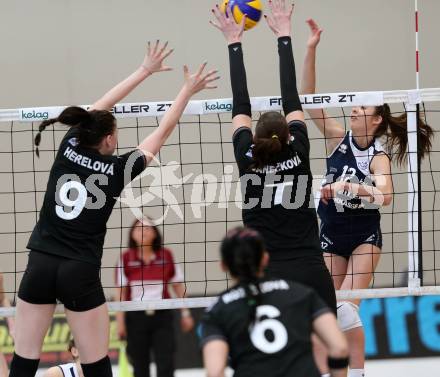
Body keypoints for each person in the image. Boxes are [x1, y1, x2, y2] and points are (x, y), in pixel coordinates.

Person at [9, 39, 219, 377]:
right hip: (79, 269)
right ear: (108, 140)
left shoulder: (69, 145)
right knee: (96, 365)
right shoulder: (119, 169)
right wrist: (186, 91)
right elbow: (163, 130)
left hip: (41, 262)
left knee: (23, 362)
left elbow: (98, 109)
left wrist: (144, 71)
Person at [301, 19, 433, 377]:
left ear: (375, 121)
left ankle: (356, 373)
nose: (354, 110)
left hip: (362, 238)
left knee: (345, 310)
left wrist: (351, 188)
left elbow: (385, 194)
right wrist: (311, 48)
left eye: (362, 109)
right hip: (330, 235)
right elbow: (309, 98)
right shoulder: (335, 138)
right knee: (328, 312)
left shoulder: (378, 155)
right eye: (355, 106)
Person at [210, 1, 336, 309]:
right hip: (311, 268)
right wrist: (284, 35)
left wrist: (233, 43)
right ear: (290, 134)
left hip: (268, 274)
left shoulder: (247, 156)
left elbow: (240, 105)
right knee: (332, 352)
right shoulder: (299, 151)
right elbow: (292, 97)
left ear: (254, 137)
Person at [199, 226, 349, 377]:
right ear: (265, 258)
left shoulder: (217, 311)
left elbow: (215, 372)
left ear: (223, 265)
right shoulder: (302, 294)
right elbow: (339, 348)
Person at [115, 218, 194, 377]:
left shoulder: (166, 255)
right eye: (139, 228)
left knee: (166, 363)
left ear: (155, 233)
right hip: (136, 318)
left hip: (162, 316)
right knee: (139, 364)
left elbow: (177, 286)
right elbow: (121, 292)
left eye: (147, 228)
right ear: (132, 234)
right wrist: (120, 322)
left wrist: (186, 313)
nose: (143, 231)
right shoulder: (125, 258)